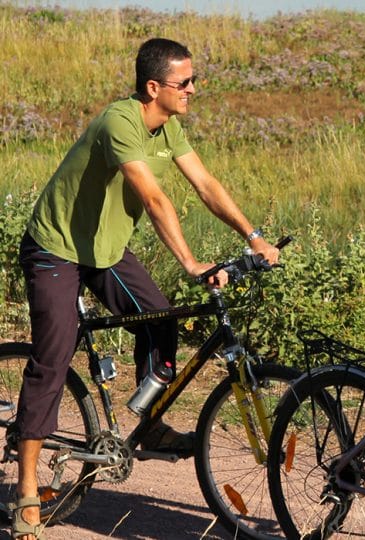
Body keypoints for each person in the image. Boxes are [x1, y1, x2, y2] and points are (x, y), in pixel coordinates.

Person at [11, 38, 279, 539]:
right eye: (185, 83)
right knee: (54, 355)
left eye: (194, 81)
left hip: (105, 249)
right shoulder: (121, 122)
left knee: (161, 321)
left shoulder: (169, 126)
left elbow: (206, 185)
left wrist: (253, 235)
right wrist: (192, 263)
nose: (194, 90)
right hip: (56, 249)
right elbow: (154, 199)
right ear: (153, 87)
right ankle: (27, 488)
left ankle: (148, 422)